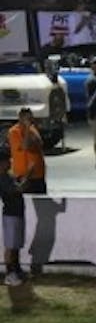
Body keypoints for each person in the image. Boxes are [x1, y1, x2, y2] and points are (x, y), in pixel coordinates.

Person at [0, 149, 28, 285]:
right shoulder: (2, 178)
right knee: (10, 245)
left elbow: (17, 184)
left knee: (16, 244)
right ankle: (9, 273)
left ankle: (16, 270)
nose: (10, 163)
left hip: (17, 213)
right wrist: (28, 174)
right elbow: (18, 189)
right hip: (10, 215)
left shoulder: (8, 176)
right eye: (7, 161)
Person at [8, 108, 46, 195]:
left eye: (31, 118)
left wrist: (32, 129)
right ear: (21, 118)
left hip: (38, 174)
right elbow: (25, 146)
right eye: (28, 118)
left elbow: (40, 144)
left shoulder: (33, 130)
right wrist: (28, 129)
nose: (30, 120)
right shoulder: (14, 132)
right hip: (24, 175)